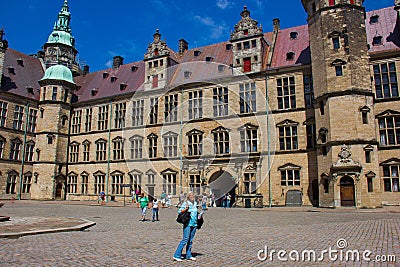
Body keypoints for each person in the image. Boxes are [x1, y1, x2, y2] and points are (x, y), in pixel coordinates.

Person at [173, 192, 199, 262]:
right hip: (188, 223)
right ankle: (176, 255)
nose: (192, 196)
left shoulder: (195, 203)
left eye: (193, 195)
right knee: (185, 239)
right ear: (188, 197)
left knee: (190, 241)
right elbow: (179, 212)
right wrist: (186, 209)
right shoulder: (186, 203)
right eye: (190, 195)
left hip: (194, 223)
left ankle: (188, 255)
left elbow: (195, 212)